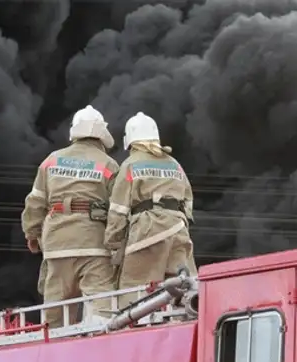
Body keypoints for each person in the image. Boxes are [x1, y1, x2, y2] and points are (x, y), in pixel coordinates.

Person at [21, 105, 120, 327]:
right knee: (104, 316)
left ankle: (55, 358)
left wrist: (32, 234)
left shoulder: (51, 161)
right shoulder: (109, 165)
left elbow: (35, 202)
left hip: (57, 246)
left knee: (55, 319)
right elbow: (119, 209)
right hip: (94, 247)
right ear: (101, 134)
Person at [105, 112, 196, 309]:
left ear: (130, 140)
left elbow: (119, 209)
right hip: (179, 230)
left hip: (147, 231)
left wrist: (112, 242)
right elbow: (188, 202)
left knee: (134, 293)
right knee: (184, 289)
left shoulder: (131, 164)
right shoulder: (174, 164)